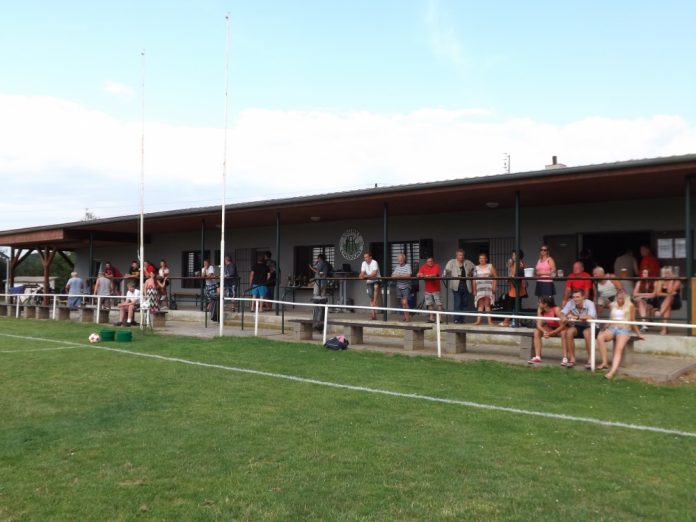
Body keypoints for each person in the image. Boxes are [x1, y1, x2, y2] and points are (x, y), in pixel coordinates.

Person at [597, 289, 645, 376]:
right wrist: (607, 325)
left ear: (626, 298)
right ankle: (604, 363)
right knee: (600, 338)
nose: (620, 300)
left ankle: (612, 371)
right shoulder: (612, 305)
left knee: (618, 349)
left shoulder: (630, 306)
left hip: (624, 329)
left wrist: (638, 334)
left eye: (622, 298)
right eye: (619, 298)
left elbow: (632, 320)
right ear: (616, 297)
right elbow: (612, 318)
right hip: (612, 328)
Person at [560, 289, 597, 369]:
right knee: (569, 332)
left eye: (578, 297)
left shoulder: (589, 303)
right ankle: (572, 359)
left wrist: (575, 317)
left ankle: (591, 360)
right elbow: (562, 312)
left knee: (586, 333)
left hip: (592, 326)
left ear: (583, 297)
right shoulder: (570, 302)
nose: (575, 299)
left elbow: (590, 316)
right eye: (574, 297)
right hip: (578, 326)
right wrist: (563, 317)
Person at [528, 295, 565, 365]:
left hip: (561, 328)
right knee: (537, 331)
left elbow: (563, 325)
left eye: (539, 302)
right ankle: (537, 357)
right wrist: (544, 332)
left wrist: (553, 332)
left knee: (564, 333)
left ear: (545, 304)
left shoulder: (556, 309)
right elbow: (538, 324)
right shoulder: (540, 309)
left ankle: (565, 358)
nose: (538, 304)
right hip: (550, 328)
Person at [444, 248, 475, 324]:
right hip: (456, 285)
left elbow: (475, 269)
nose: (461, 257)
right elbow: (446, 269)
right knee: (457, 302)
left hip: (466, 284)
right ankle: (456, 319)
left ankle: (462, 319)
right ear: (456, 255)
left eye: (462, 255)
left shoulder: (468, 262)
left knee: (465, 302)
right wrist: (446, 272)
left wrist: (471, 273)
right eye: (460, 255)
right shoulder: (452, 262)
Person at [500, 249, 526, 327]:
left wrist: (508, 278)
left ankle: (507, 321)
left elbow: (514, 275)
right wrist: (510, 265)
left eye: (515, 255)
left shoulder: (519, 263)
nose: (513, 256)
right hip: (516, 286)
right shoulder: (519, 263)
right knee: (516, 305)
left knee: (511, 305)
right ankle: (517, 321)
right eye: (512, 255)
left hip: (517, 286)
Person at [654, 266, 682, 335]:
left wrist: (671, 280)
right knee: (667, 306)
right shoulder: (661, 280)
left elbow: (670, 291)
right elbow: (658, 293)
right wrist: (668, 294)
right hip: (662, 302)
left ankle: (660, 313)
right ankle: (664, 329)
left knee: (670, 297)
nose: (667, 274)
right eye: (665, 273)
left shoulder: (677, 281)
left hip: (675, 301)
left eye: (669, 273)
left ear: (672, 273)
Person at [472, 252, 497, 326]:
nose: (481, 260)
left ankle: (489, 321)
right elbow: (473, 279)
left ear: (486, 259)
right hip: (479, 288)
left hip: (488, 288)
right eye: (480, 258)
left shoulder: (490, 266)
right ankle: (478, 321)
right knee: (480, 305)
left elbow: (495, 276)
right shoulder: (475, 268)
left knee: (487, 304)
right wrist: (474, 289)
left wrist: (494, 286)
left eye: (483, 258)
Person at [417, 256, 442, 323]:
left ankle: (440, 318)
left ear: (433, 261)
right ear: (426, 262)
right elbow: (418, 274)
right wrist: (421, 275)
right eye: (428, 262)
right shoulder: (424, 266)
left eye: (431, 261)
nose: (430, 262)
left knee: (438, 304)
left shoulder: (436, 266)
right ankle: (431, 318)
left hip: (436, 288)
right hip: (427, 289)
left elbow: (435, 274)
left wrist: (425, 275)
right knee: (429, 304)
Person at [632, 268, 656, 333]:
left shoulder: (653, 283)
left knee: (643, 303)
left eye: (646, 273)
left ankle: (644, 325)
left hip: (649, 302)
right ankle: (644, 325)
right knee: (640, 301)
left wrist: (642, 295)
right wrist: (645, 295)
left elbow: (654, 294)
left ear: (649, 274)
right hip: (638, 301)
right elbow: (634, 294)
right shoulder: (639, 282)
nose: (644, 274)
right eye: (643, 273)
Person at [359, 251, 381, 320]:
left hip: (376, 280)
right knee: (371, 299)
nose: (365, 259)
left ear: (370, 257)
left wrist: (365, 276)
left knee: (376, 287)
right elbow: (362, 273)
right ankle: (373, 315)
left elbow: (374, 274)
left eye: (366, 257)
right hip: (369, 281)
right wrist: (361, 275)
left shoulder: (374, 262)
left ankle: (375, 302)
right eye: (364, 257)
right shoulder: (363, 263)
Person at [391, 254, 412, 322]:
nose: (399, 260)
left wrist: (399, 275)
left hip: (406, 286)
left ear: (404, 259)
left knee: (405, 302)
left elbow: (408, 275)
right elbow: (392, 276)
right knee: (402, 302)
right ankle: (405, 316)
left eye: (401, 259)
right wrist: (399, 275)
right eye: (398, 259)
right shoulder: (397, 267)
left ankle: (407, 317)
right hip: (399, 286)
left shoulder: (407, 266)